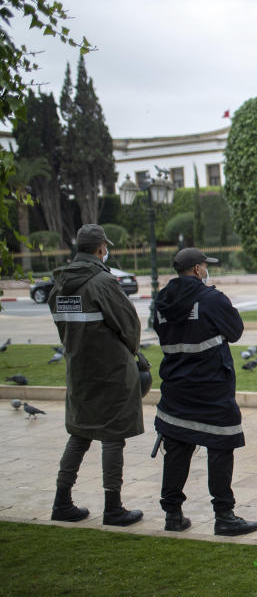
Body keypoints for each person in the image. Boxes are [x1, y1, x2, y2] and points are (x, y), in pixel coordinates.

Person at [153, 248, 257, 536]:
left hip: (176, 387)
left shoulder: (161, 302)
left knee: (176, 447)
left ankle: (172, 515)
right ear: (198, 270)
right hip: (211, 387)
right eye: (204, 266)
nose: (206, 270)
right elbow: (235, 331)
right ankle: (224, 516)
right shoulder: (211, 299)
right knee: (221, 446)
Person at [48, 224, 144, 526]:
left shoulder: (59, 284)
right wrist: (132, 351)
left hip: (79, 372)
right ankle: (113, 507)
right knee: (113, 437)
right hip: (110, 372)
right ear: (101, 248)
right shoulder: (102, 282)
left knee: (79, 433)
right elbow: (129, 325)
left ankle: (61, 501)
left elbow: (64, 328)